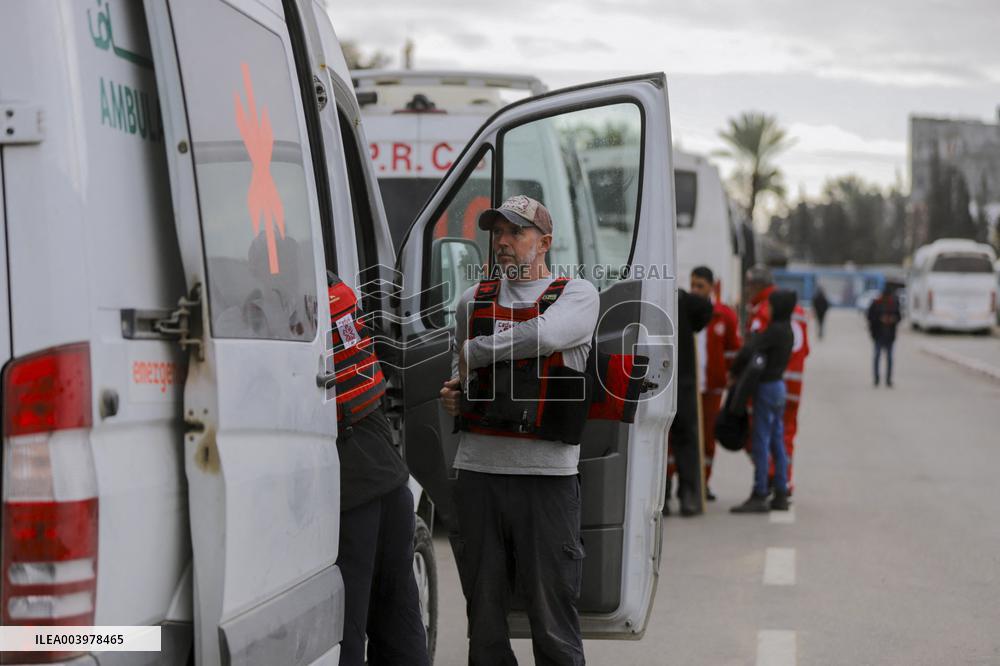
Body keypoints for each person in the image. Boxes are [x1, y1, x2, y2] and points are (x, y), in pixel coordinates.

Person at [439, 195, 599, 666]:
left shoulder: (577, 295)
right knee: (484, 622)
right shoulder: (472, 301)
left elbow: (544, 335)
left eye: (516, 233)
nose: (503, 243)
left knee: (553, 621)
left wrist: (478, 350)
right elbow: (458, 373)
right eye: (498, 233)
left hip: (547, 481)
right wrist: (453, 392)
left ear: (544, 243)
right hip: (477, 473)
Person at [327, 273, 430, 666]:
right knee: (400, 622)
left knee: (345, 631)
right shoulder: (340, 294)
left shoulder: (284, 305)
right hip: (391, 478)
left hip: (351, 491)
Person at [730, 287, 797, 513]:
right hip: (779, 386)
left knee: (760, 440)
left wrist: (736, 368)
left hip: (767, 388)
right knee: (777, 440)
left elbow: (749, 349)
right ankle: (780, 491)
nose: (767, 308)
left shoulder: (775, 331)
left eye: (771, 304)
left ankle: (759, 492)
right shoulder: (788, 330)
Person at [744, 265, 809, 494]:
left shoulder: (765, 309)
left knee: (761, 435)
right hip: (793, 381)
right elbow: (806, 349)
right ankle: (785, 481)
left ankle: (768, 481)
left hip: (771, 380)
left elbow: (755, 348)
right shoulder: (797, 310)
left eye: (749, 285)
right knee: (785, 433)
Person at [688, 266, 742, 502]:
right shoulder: (683, 309)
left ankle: (703, 482)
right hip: (687, 387)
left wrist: (731, 376)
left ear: (711, 286)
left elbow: (733, 351)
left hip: (712, 387)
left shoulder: (724, 315)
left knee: (707, 438)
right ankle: (681, 484)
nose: (695, 290)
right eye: (693, 285)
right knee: (682, 436)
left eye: (700, 286)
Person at [665, 288, 714, 516]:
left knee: (677, 439)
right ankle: (680, 496)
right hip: (672, 381)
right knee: (667, 442)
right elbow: (705, 309)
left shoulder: (678, 298)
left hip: (675, 380)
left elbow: (705, 308)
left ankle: (686, 495)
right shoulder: (678, 297)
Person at [867, 285, 901, 387]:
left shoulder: (894, 303)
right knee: (877, 356)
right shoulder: (876, 303)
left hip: (890, 335)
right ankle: (876, 378)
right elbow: (870, 317)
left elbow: (899, 317)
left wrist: (892, 319)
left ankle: (888, 379)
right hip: (878, 334)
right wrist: (880, 319)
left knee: (889, 358)